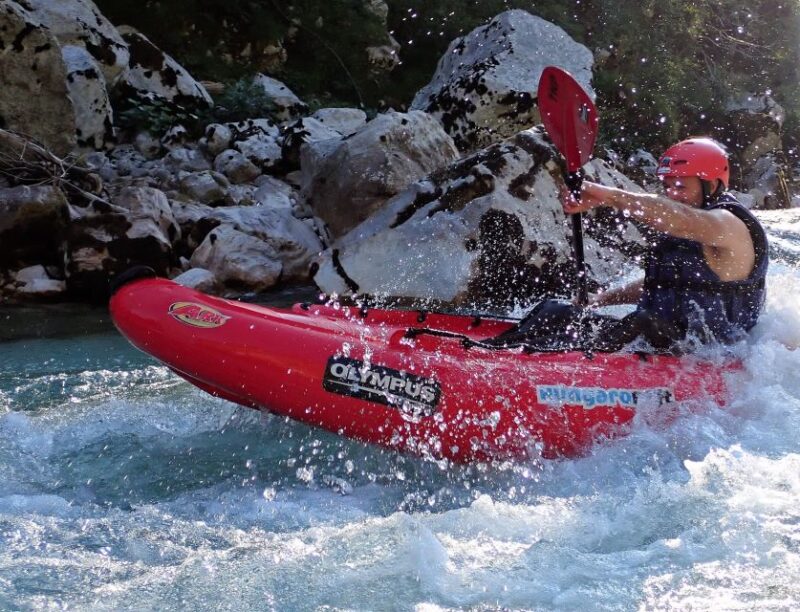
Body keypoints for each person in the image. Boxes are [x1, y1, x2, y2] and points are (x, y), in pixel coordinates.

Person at [500, 137, 769, 353]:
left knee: (641, 323)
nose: (672, 194)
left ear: (711, 185)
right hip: (664, 342)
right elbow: (665, 282)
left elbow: (680, 220)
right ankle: (492, 354)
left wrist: (607, 196)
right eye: (667, 186)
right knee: (556, 312)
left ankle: (558, 371)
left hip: (710, 357)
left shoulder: (728, 225)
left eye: (680, 186)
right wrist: (597, 301)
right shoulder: (689, 227)